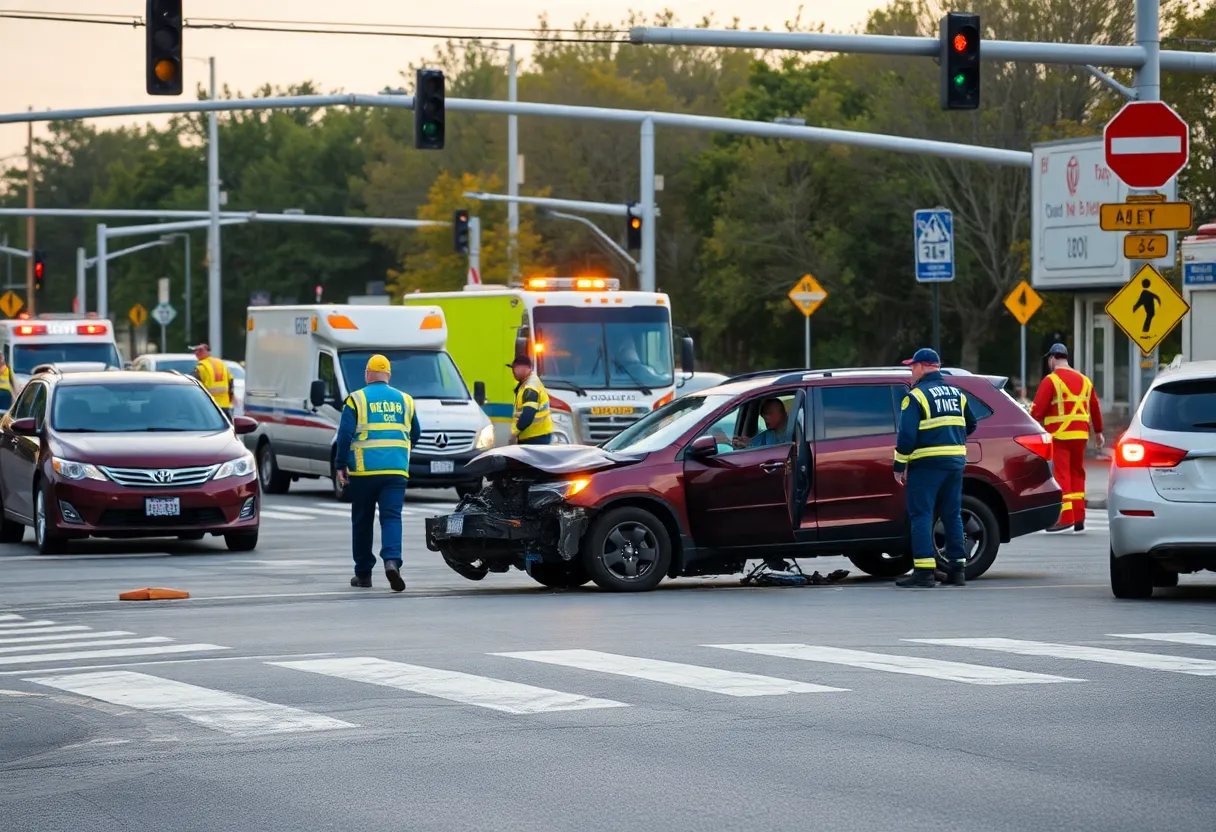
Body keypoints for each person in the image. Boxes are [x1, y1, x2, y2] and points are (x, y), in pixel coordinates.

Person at [334, 354, 421, 592]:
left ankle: (363, 574)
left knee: (362, 521)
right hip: (396, 470)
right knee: (391, 517)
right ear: (389, 375)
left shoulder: (357, 399)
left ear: (367, 374)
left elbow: (344, 435)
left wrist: (341, 464)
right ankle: (392, 562)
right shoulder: (406, 400)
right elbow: (416, 432)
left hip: (364, 471)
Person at [893, 348, 977, 588]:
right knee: (952, 514)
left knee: (921, 514)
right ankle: (958, 570)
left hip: (927, 464)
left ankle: (924, 572)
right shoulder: (956, 394)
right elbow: (970, 424)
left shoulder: (916, 396)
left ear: (923, 366)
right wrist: (950, 438)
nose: (911, 371)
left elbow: (906, 436)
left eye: (912, 366)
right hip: (955, 463)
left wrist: (899, 465)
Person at [1030, 342, 1104, 533]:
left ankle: (1065, 518)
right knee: (1077, 472)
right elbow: (1095, 407)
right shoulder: (1085, 380)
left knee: (1061, 474)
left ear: (1053, 358)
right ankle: (1079, 516)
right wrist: (1099, 433)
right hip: (1080, 435)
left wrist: (1031, 428)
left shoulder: (1051, 380)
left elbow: (1038, 410)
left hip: (1059, 434)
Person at [509, 355, 553, 445]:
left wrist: (514, 433)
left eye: (515, 367)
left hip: (535, 437)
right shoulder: (527, 384)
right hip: (537, 435)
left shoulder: (530, 387)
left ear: (526, 368)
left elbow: (528, 415)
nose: (513, 371)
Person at [189, 343, 234, 420]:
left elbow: (192, 386)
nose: (196, 353)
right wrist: (230, 399)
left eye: (199, 351)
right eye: (196, 351)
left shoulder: (201, 367)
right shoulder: (221, 363)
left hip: (209, 406)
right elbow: (230, 382)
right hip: (224, 405)